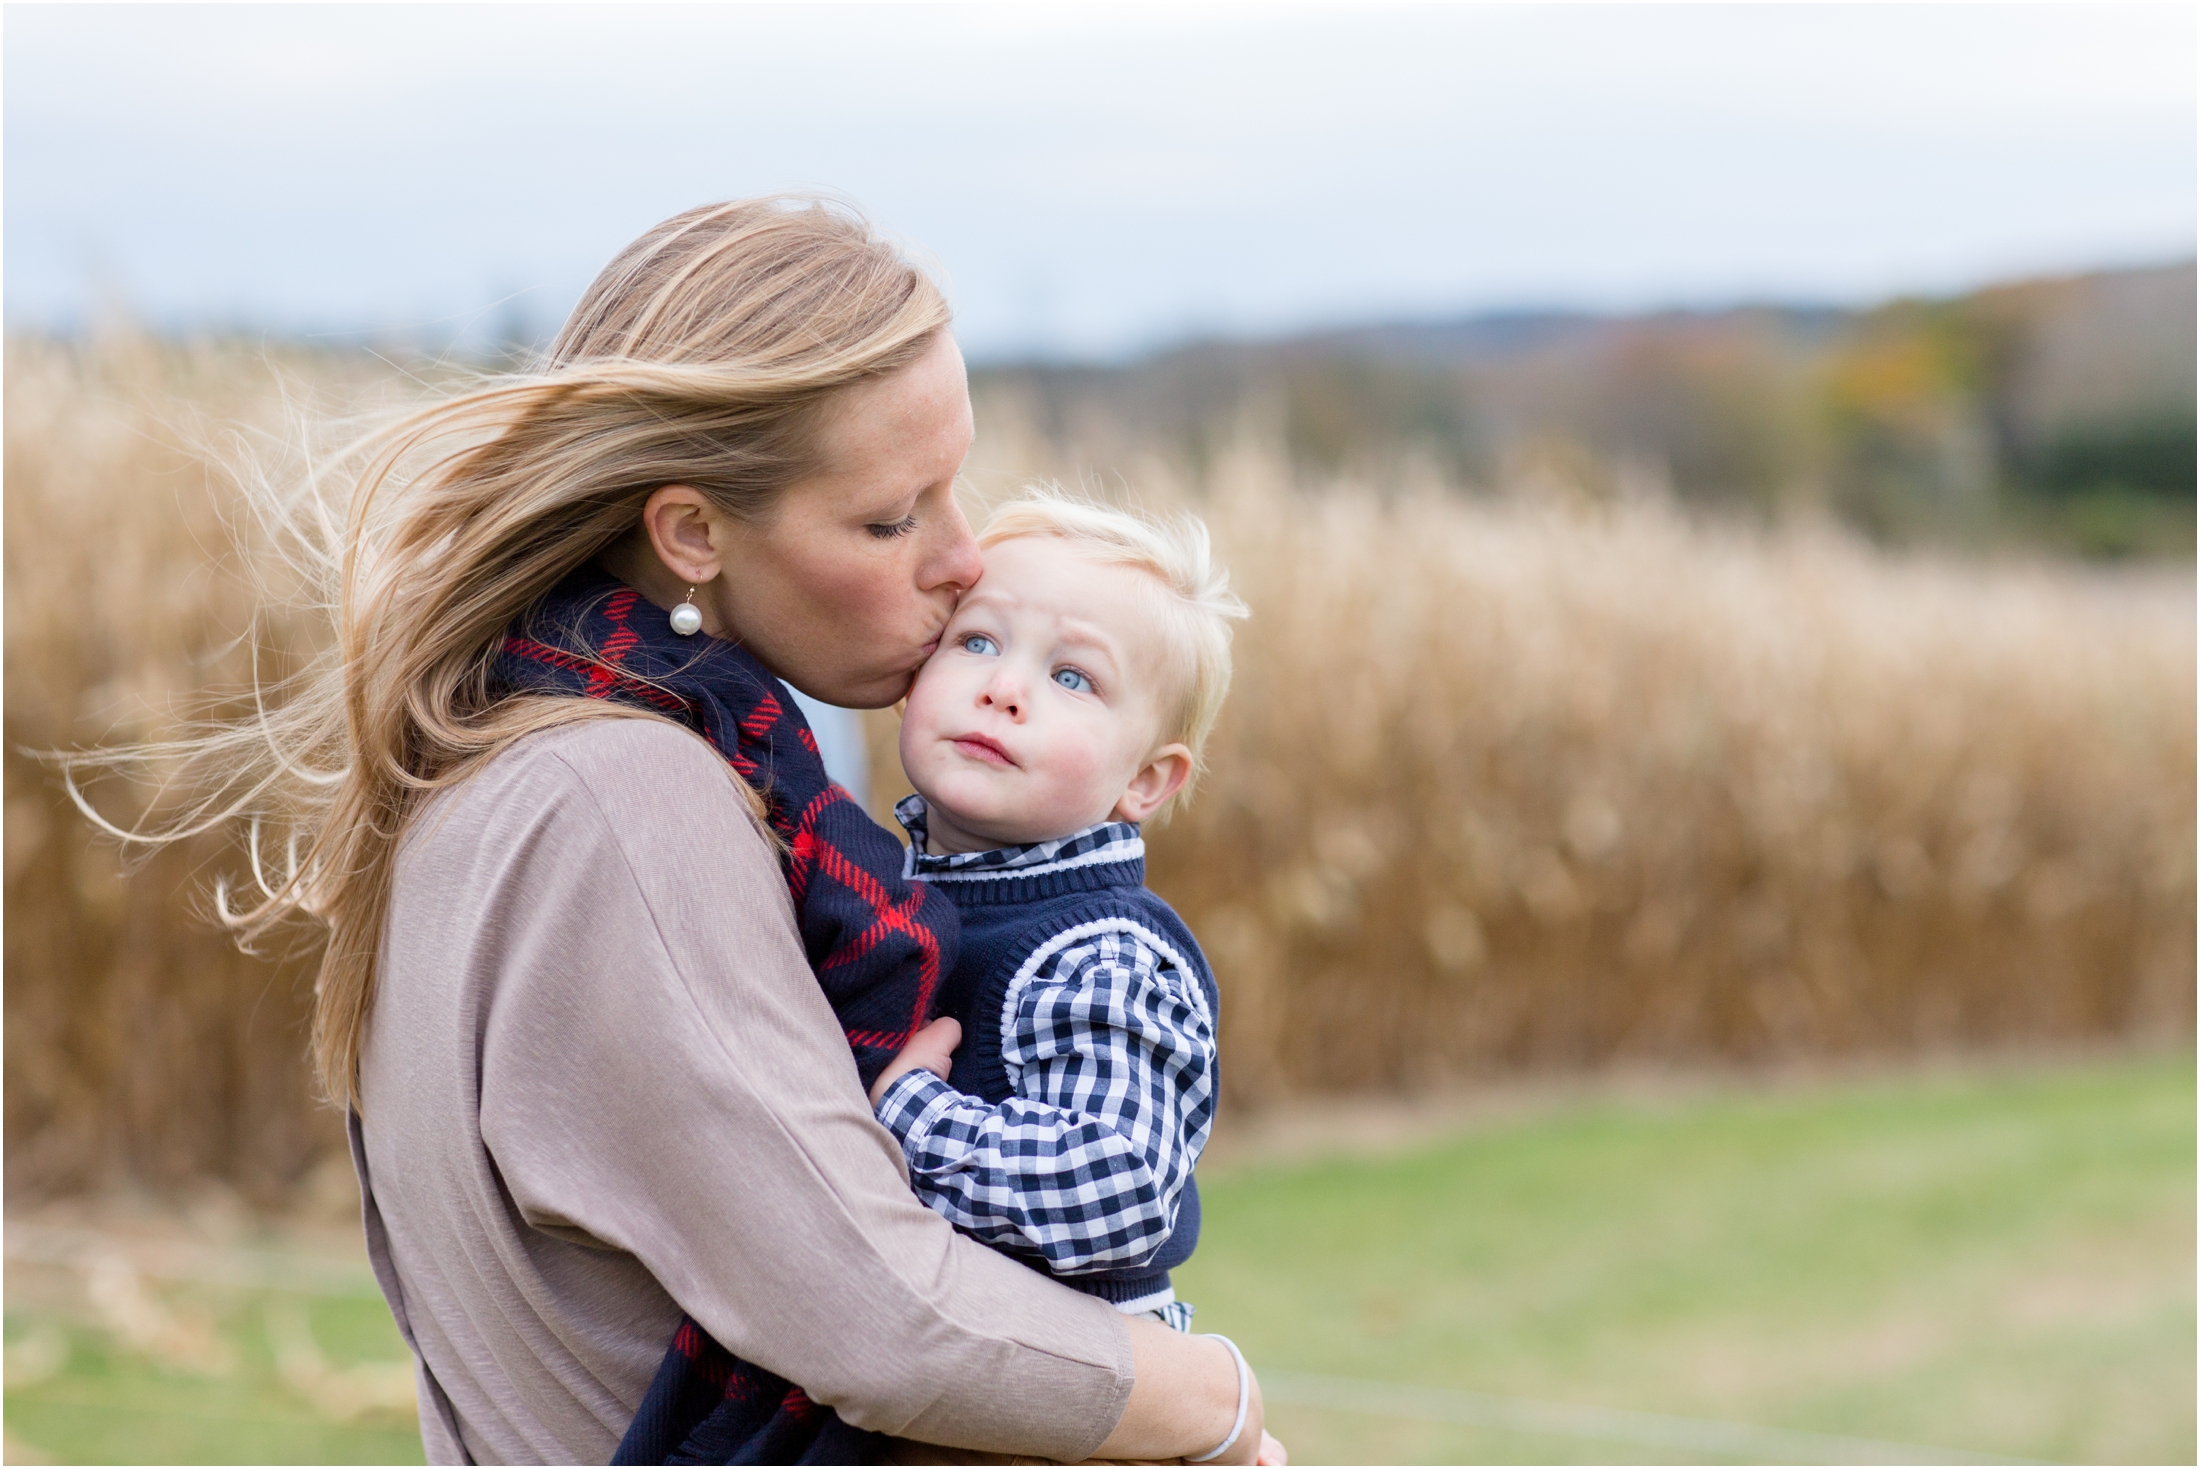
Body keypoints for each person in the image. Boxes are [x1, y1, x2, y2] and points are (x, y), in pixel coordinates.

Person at [80, 198, 1267, 1465]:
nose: (963, 560)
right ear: (693, 531)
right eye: (891, 517)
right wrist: (1214, 1398)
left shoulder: (519, 737)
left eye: (952, 491)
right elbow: (881, 1312)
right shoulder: (628, 797)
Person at [623, 490, 1282, 1465]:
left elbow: (1119, 1185)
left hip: (1071, 1421)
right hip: (948, 1396)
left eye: (1071, 676)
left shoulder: (1102, 952)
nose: (1005, 688)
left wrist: (912, 1117)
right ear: (910, 679)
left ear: (1145, 779)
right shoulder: (881, 900)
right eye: (976, 643)